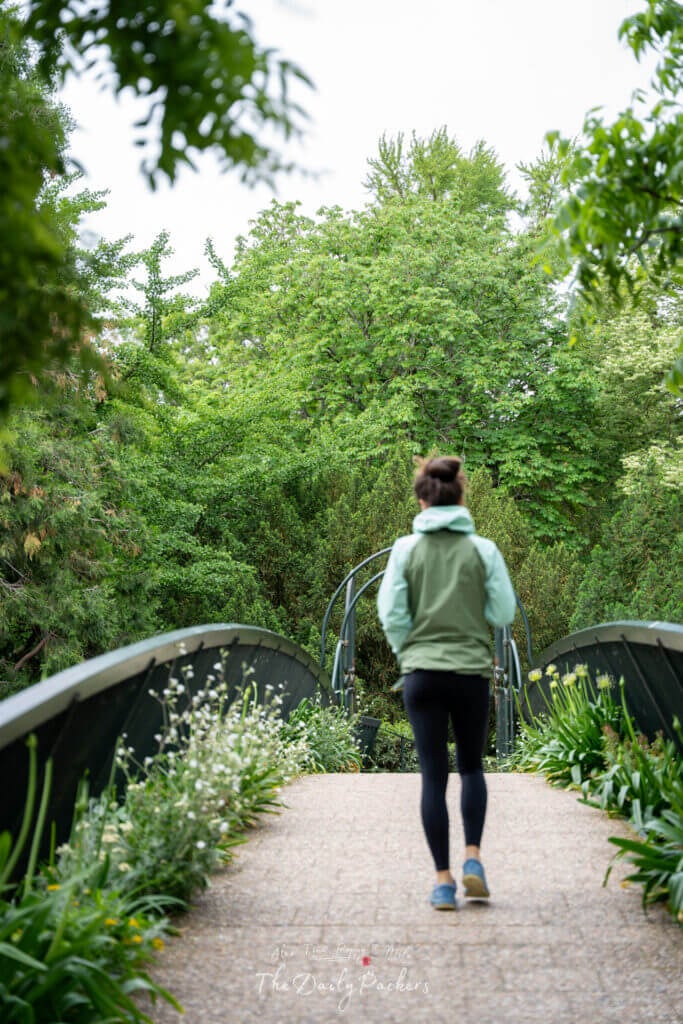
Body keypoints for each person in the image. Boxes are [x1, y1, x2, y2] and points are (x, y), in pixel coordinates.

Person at [377, 456, 516, 910]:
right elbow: (502, 613)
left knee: (433, 777)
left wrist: (409, 653)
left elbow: (391, 614)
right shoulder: (483, 550)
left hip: (422, 675)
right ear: (461, 500)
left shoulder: (404, 549)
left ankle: (442, 881)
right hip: (471, 674)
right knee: (472, 766)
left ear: (422, 502)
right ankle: (473, 858)